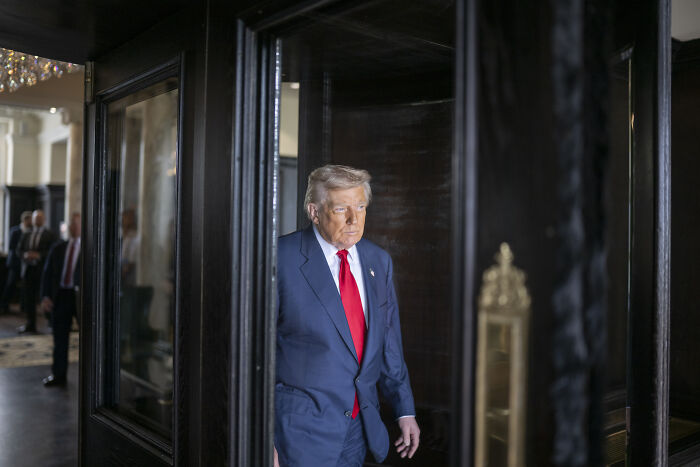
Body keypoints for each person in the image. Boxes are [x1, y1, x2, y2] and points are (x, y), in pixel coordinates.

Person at [274, 165, 420, 467]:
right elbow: (252, 356)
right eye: (342, 209)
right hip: (298, 434)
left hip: (358, 430)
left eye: (361, 207)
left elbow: (389, 343)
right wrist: (263, 438)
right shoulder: (281, 258)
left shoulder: (379, 261)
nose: (355, 219)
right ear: (315, 212)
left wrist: (405, 410)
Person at [40, 212, 81, 387]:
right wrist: (45, 296)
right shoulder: (58, 248)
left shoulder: (92, 248)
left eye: (76, 223)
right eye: (71, 223)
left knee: (90, 340)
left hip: (81, 298)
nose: (72, 226)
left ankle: (92, 381)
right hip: (61, 296)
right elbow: (47, 274)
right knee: (60, 339)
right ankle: (58, 375)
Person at [16, 210, 56, 333]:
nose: (37, 220)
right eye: (35, 218)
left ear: (43, 220)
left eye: (39, 218)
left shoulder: (49, 234)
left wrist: (38, 255)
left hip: (43, 271)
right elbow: (18, 250)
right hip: (28, 269)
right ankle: (30, 325)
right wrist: (25, 255)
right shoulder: (27, 233)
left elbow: (53, 252)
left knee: (46, 296)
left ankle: (52, 323)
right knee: (29, 298)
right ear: (32, 220)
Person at [0, 211, 32, 314]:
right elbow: (12, 247)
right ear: (25, 220)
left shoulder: (31, 231)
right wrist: (22, 254)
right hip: (15, 263)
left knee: (25, 286)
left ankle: (24, 307)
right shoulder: (15, 230)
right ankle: (4, 306)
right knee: (10, 284)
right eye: (29, 220)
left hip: (26, 264)